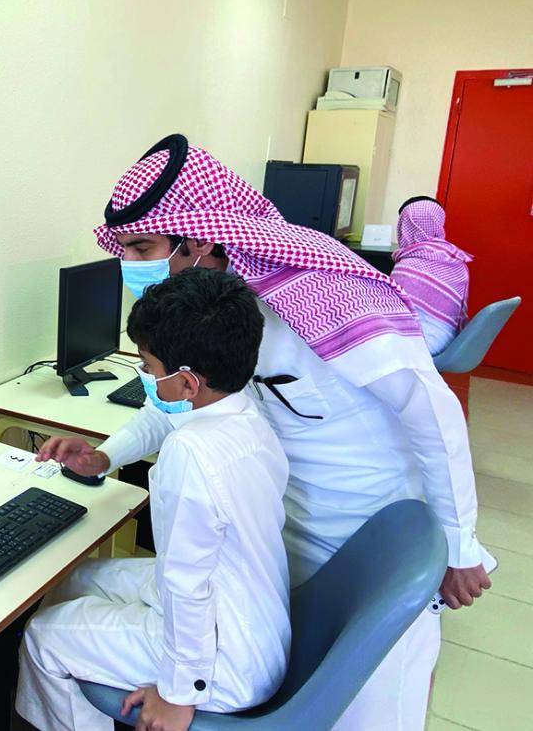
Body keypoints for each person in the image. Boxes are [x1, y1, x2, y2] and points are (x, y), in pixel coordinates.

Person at [50, 135, 491, 730]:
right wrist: (108, 456)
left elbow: (434, 417)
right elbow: (182, 400)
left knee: (364, 710)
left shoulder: (324, 295)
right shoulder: (213, 310)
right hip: (286, 526)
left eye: (142, 248)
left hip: (370, 528)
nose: (130, 265)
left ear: (198, 240)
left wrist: (458, 546)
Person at [16, 268, 290, 731]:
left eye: (148, 367)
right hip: (249, 614)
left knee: (44, 637)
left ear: (188, 384)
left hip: (227, 660)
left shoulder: (192, 453)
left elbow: (187, 583)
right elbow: (161, 419)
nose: (143, 375)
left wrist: (179, 693)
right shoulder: (243, 410)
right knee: (75, 580)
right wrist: (101, 458)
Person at [390, 196, 473, 355]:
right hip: (449, 339)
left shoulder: (408, 266)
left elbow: (393, 313)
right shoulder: (455, 258)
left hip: (422, 345)